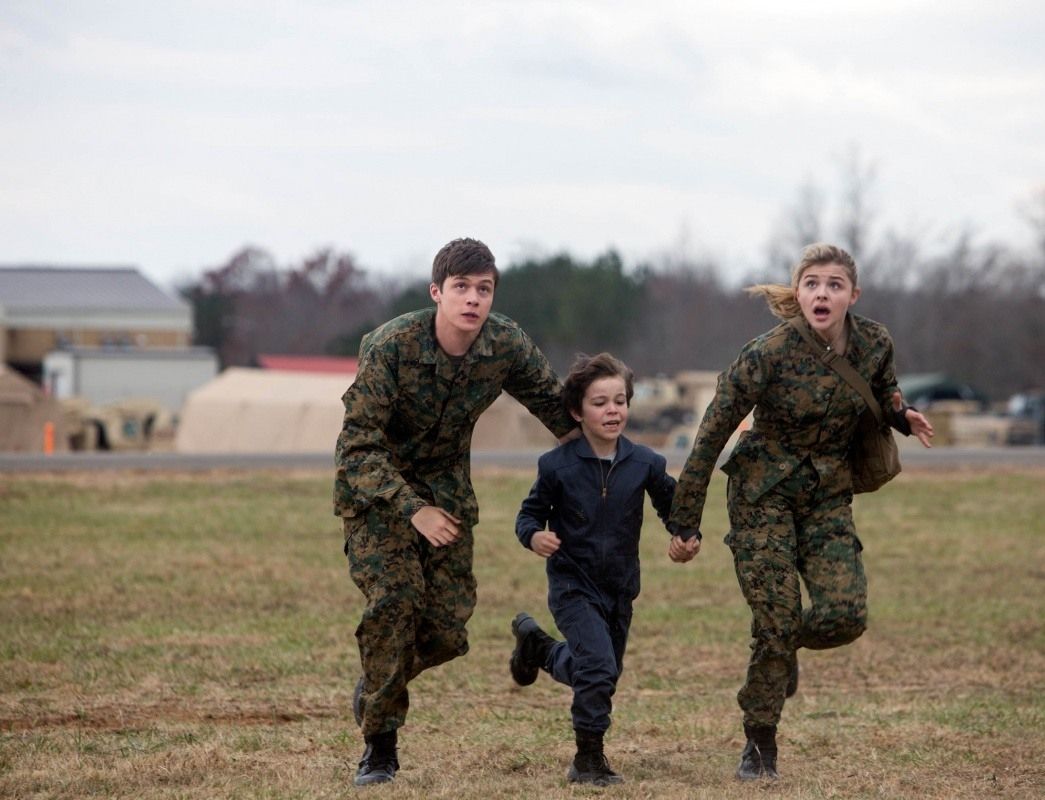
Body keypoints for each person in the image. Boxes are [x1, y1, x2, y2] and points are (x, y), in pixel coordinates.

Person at [668, 243, 934, 781]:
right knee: (775, 619)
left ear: (853, 295)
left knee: (845, 615)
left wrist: (903, 415)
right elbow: (713, 431)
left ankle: (783, 644)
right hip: (761, 494)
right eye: (812, 283)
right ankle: (759, 742)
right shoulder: (767, 352)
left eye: (834, 284)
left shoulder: (875, 342)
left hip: (826, 494)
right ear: (798, 292)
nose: (822, 293)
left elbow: (883, 390)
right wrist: (685, 519)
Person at [334, 237, 578, 787]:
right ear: (436, 292)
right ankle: (379, 748)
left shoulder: (504, 344)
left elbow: (556, 410)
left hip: (447, 495)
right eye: (461, 287)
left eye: (483, 289)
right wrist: (412, 508)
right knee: (395, 603)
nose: (472, 299)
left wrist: (612, 458)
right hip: (379, 497)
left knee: (447, 633)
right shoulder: (392, 347)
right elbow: (356, 448)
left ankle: (379, 680)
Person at [508, 352, 700, 786]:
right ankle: (588, 760)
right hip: (572, 586)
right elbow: (528, 515)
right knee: (597, 670)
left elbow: (674, 508)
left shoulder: (645, 463)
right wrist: (534, 536)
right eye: (600, 403)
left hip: (620, 587)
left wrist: (686, 536)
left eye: (620, 401)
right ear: (577, 411)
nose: (613, 410)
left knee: (600, 672)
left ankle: (539, 649)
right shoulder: (556, 466)